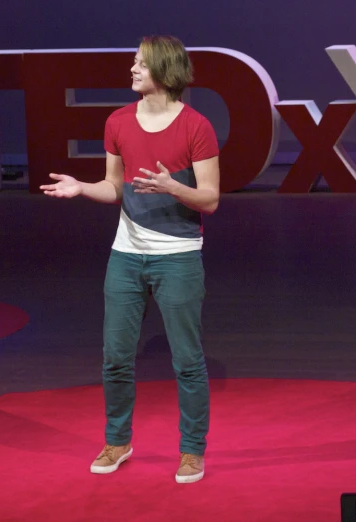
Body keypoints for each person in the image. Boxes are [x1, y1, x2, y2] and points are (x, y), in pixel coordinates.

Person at [40, 35, 220, 484]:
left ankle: (192, 451)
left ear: (165, 71)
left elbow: (211, 199)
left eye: (141, 64)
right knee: (116, 357)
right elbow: (114, 186)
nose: (133, 69)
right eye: (134, 63)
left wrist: (173, 187)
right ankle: (117, 441)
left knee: (187, 360)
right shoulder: (118, 121)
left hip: (177, 257)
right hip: (126, 255)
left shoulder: (196, 126)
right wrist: (83, 188)